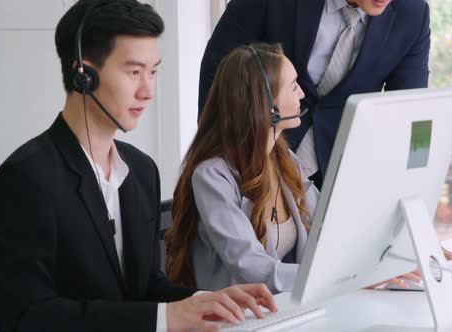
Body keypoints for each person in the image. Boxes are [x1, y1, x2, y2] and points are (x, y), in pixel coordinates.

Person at [0, 1, 275, 332]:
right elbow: (28, 316)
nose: (148, 91)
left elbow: (145, 287)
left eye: (153, 72)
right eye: (134, 72)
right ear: (84, 75)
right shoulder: (23, 181)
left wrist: (209, 301)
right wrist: (164, 318)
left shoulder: (140, 171)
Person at [166, 43, 422, 293]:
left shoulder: (283, 159)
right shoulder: (212, 177)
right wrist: (348, 277)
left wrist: (393, 253)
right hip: (234, 319)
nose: (301, 94)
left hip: (282, 311)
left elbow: (329, 225)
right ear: (266, 104)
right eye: (293, 86)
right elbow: (253, 269)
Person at [198, 0, 431, 189]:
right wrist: (225, 162)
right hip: (252, 165)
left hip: (341, 178)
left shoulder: (413, 15)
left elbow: (409, 114)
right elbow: (218, 69)